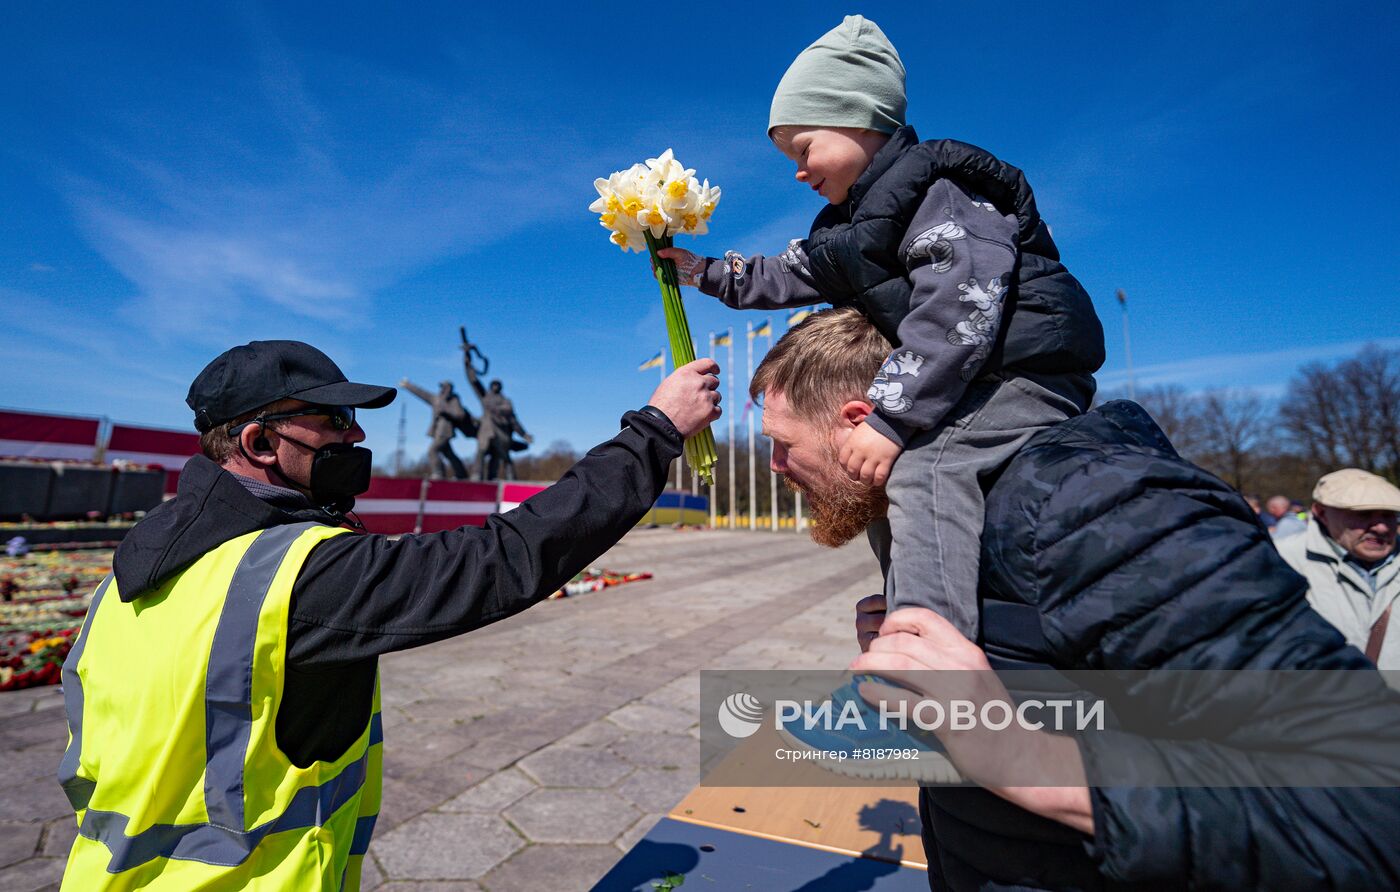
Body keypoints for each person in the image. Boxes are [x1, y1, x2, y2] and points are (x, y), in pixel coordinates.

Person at [753, 309, 1400, 890]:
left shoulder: (1093, 504)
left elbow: (1366, 802)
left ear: (858, 423)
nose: (776, 468)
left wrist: (1024, 756)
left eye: (782, 445)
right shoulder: (918, 520)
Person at [56, 339, 721, 889]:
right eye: (334, 421)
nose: (357, 433)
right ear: (260, 442)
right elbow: (505, 556)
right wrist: (653, 433)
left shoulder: (135, 565)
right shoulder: (298, 574)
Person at [659, 14, 1103, 642]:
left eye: (803, 148)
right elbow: (783, 275)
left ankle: (927, 649)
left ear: (858, 119)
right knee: (880, 481)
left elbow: (960, 308)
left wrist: (892, 416)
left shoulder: (939, 194)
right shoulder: (852, 230)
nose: (798, 171)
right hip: (966, 379)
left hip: (1022, 373)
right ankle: (911, 611)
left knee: (924, 471)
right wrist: (701, 272)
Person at [1276, 469, 1400, 668]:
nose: (1381, 528)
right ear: (1322, 513)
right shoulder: (1281, 560)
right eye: (1364, 514)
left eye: (1388, 515)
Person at [464, 357, 532, 481]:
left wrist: (524, 434)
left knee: (499, 456)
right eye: (493, 384)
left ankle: (493, 478)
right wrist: (467, 364)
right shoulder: (485, 397)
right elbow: (474, 382)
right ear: (490, 386)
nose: (495, 386)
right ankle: (476, 476)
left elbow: (513, 421)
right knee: (481, 452)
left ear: (500, 387)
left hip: (501, 433)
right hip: (486, 431)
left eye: (497, 385)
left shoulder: (506, 402)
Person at [398, 377, 475, 479]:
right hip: (437, 430)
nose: (442, 389)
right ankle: (461, 474)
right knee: (449, 454)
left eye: (444, 387)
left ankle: (438, 473)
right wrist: (408, 385)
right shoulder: (436, 398)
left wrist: (445, 411)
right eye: (442, 387)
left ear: (449, 388)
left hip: (445, 430)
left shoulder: (454, 399)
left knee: (432, 451)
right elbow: (422, 393)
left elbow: (460, 414)